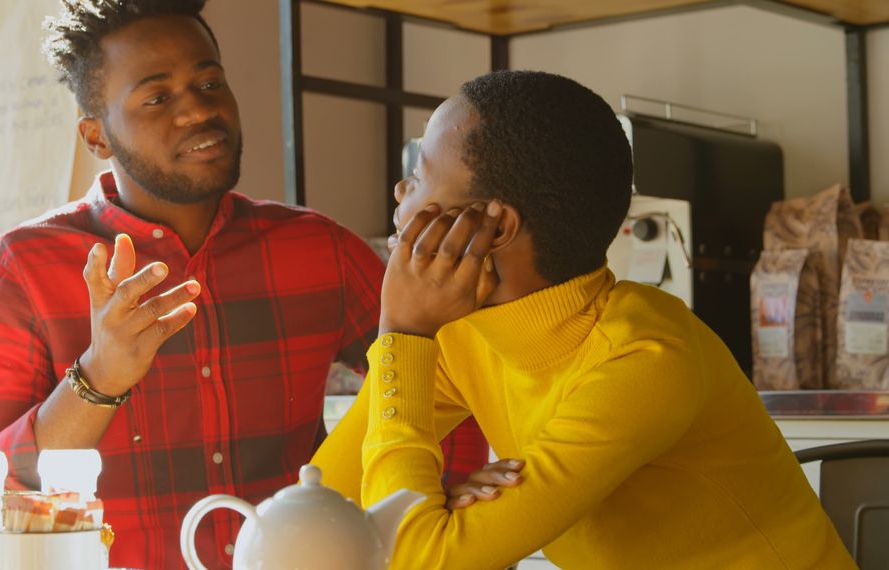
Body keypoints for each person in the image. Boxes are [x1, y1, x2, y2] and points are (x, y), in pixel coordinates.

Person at [0, 1, 488, 568]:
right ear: (95, 136)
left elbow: (441, 376)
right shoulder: (22, 269)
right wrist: (98, 380)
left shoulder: (318, 249)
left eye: (209, 82)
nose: (197, 111)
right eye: (157, 97)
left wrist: (441, 512)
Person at [311, 70, 855, 569]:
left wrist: (402, 333)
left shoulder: (644, 357)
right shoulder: (464, 336)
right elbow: (320, 501)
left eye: (418, 173)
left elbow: (417, 560)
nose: (400, 192)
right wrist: (441, 510)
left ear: (494, 229)